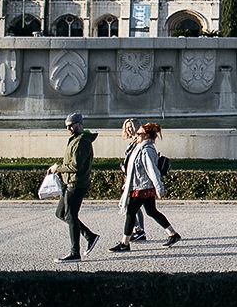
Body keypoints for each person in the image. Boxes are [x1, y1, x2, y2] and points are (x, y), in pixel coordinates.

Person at [109, 122, 181, 252]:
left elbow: (152, 170)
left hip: (142, 187)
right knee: (151, 211)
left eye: (139, 134)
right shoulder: (140, 147)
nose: (136, 135)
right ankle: (173, 234)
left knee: (130, 212)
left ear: (146, 136)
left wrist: (159, 187)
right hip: (141, 186)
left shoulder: (146, 150)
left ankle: (124, 243)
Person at [48, 112, 100, 263]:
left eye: (71, 125)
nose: (69, 128)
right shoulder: (75, 139)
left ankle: (74, 253)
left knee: (71, 216)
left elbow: (75, 165)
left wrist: (57, 167)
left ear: (79, 124)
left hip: (76, 184)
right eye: (67, 126)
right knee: (61, 213)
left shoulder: (83, 140)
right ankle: (89, 236)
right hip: (69, 183)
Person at [119, 118, 147, 241]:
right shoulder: (133, 142)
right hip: (131, 177)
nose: (129, 129)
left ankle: (139, 230)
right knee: (143, 208)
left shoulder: (139, 142)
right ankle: (139, 230)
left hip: (136, 179)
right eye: (127, 127)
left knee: (130, 206)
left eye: (131, 127)